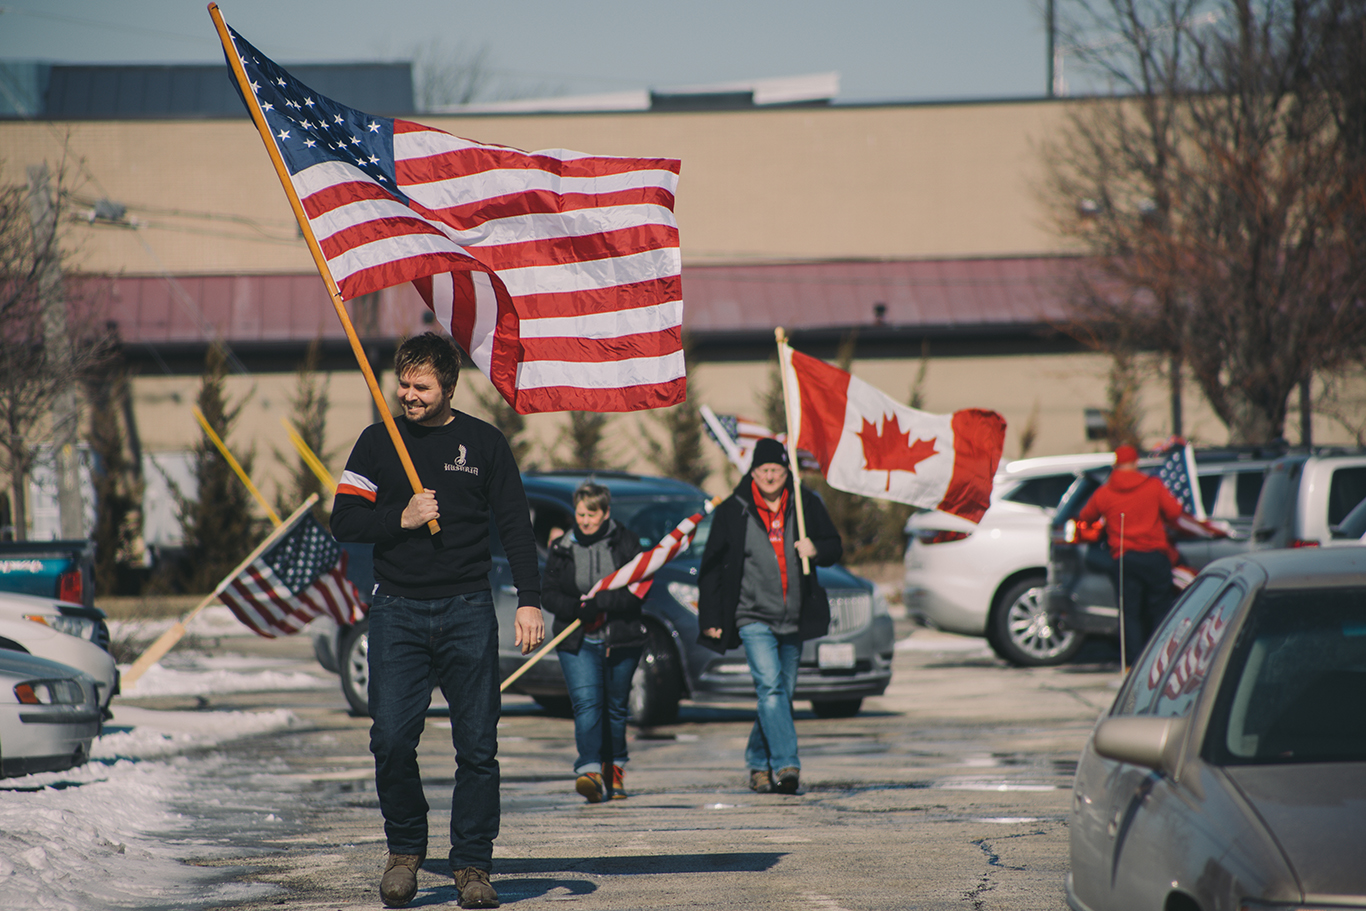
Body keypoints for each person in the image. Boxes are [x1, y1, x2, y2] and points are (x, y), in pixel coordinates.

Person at [331, 332, 544, 910]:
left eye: (420, 385)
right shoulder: (378, 443)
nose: (408, 394)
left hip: (468, 610)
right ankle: (405, 851)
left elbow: (516, 528)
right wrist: (398, 518)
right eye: (403, 383)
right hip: (397, 610)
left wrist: (529, 597)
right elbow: (344, 519)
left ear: (448, 387)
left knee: (477, 746)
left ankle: (472, 865)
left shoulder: (484, 443)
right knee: (391, 739)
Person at [697, 437, 843, 794]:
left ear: (786, 470)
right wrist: (711, 617)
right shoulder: (735, 509)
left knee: (779, 695)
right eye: (763, 470)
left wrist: (816, 548)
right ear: (753, 471)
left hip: (793, 616)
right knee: (771, 689)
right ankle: (786, 765)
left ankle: (756, 763)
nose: (770, 477)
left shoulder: (805, 504)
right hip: (752, 615)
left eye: (776, 470)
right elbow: (712, 567)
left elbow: (834, 546)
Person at [541, 480, 647, 803]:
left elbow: (639, 590)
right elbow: (549, 592)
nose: (584, 519)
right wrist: (576, 608)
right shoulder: (562, 547)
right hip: (577, 641)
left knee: (615, 710)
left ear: (606, 513)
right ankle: (589, 771)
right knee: (587, 705)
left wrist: (602, 603)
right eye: (580, 513)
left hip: (621, 639)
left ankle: (613, 770)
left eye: (592, 513)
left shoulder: (626, 542)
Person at [1076, 444, 1184, 666]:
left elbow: (1085, 517)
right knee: (1160, 609)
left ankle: (1133, 664)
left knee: (1130, 614)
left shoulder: (1105, 492)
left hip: (1125, 558)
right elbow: (1174, 512)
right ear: (1135, 463)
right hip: (1155, 556)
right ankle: (1159, 659)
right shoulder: (1153, 486)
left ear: (1116, 465)